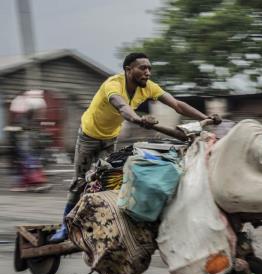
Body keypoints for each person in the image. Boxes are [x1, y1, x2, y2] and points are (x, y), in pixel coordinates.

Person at [49, 52, 221, 243]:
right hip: (88, 137)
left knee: (108, 180)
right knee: (79, 182)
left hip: (110, 138)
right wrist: (138, 119)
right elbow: (122, 107)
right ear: (128, 70)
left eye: (149, 68)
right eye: (142, 68)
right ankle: (65, 226)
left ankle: (100, 222)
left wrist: (205, 117)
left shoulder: (148, 87)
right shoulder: (113, 85)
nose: (147, 72)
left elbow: (178, 105)